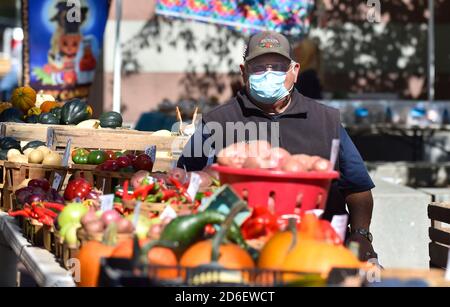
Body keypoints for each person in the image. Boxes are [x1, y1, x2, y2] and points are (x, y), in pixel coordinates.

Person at [177, 31, 377, 261]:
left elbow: (358, 187)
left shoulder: (325, 120)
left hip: (320, 250)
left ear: (295, 71)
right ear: (244, 72)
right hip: (240, 249)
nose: (268, 74)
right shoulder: (216, 122)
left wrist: (361, 234)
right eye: (259, 67)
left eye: (278, 66)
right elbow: (184, 181)